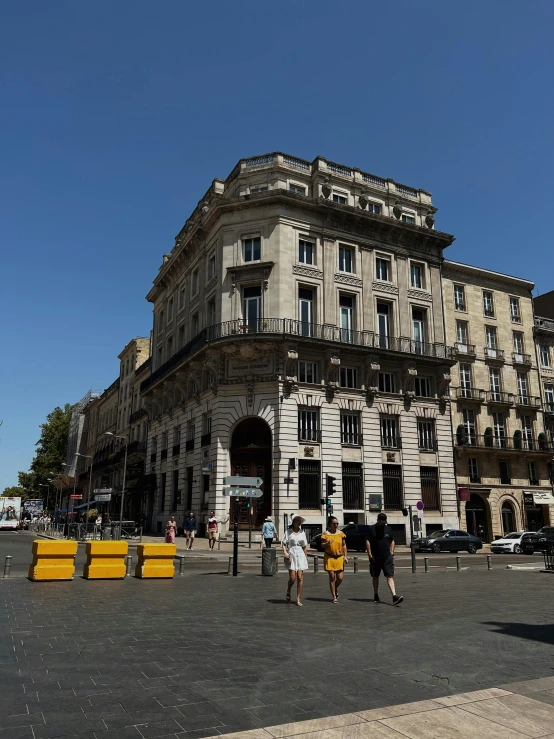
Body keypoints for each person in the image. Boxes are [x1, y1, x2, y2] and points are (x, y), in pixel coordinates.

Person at [366, 512, 403, 606]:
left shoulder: (388, 529)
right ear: (378, 521)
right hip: (375, 557)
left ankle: (394, 597)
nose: (383, 524)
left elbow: (392, 540)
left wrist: (392, 552)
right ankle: (376, 594)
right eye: (382, 522)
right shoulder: (371, 529)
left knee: (389, 576)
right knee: (375, 576)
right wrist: (370, 554)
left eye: (384, 523)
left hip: (387, 558)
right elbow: (367, 541)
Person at [282, 514, 308, 606]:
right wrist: (285, 553)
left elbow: (304, 546)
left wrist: (305, 556)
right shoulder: (288, 532)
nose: (299, 522)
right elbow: (284, 543)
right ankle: (288, 590)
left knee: (300, 577)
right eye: (297, 520)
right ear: (293, 522)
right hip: (292, 554)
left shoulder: (302, 532)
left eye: (300, 520)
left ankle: (298, 599)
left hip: (300, 554)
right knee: (293, 579)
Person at [321, 516, 348, 604]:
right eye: (334, 523)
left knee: (340, 578)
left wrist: (345, 556)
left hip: (339, 557)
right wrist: (327, 543)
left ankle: (335, 588)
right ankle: (334, 596)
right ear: (330, 524)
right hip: (329, 557)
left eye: (337, 523)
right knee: (332, 577)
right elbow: (322, 545)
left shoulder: (341, 533)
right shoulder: (326, 534)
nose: (336, 525)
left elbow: (344, 545)